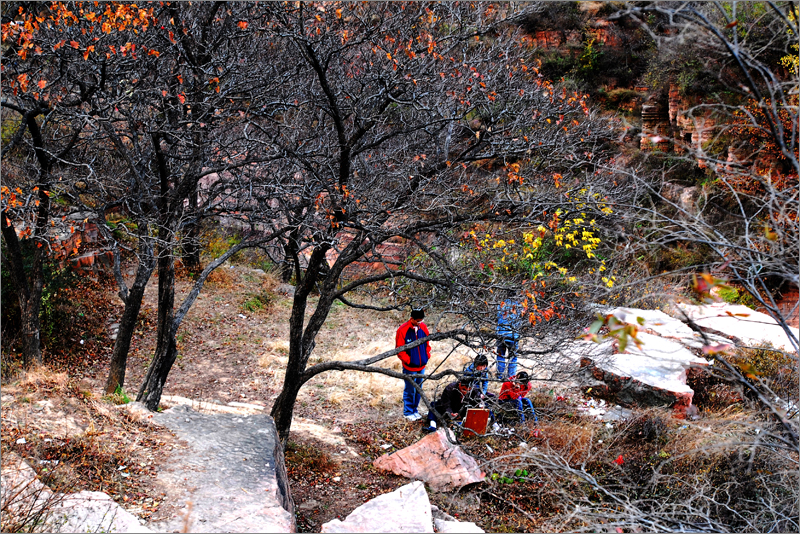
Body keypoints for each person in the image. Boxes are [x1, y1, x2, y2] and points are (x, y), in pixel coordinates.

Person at [396, 306, 431, 421]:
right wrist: (410, 361)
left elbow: (427, 344)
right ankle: (408, 412)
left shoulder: (424, 327)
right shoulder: (402, 330)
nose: (420, 323)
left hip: (422, 366)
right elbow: (399, 350)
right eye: (418, 321)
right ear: (412, 319)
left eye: (421, 321)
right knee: (410, 389)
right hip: (409, 367)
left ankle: (415, 410)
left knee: (418, 389)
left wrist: (427, 356)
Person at [496, 298, 523, 380]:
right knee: (513, 357)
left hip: (501, 335)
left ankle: (500, 375)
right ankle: (511, 377)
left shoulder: (501, 303)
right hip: (513, 336)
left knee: (500, 355)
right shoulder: (520, 304)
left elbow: (498, 317)